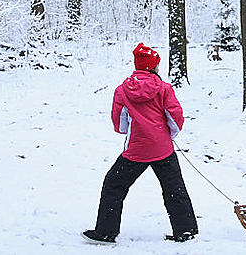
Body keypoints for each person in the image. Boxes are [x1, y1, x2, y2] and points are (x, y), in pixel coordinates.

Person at [83, 43, 198, 245]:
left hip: (135, 150)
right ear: (153, 67)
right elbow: (175, 116)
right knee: (174, 188)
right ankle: (185, 230)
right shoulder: (164, 88)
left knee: (113, 185)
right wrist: (169, 135)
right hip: (163, 148)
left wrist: (131, 132)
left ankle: (106, 232)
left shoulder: (122, 90)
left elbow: (119, 123)